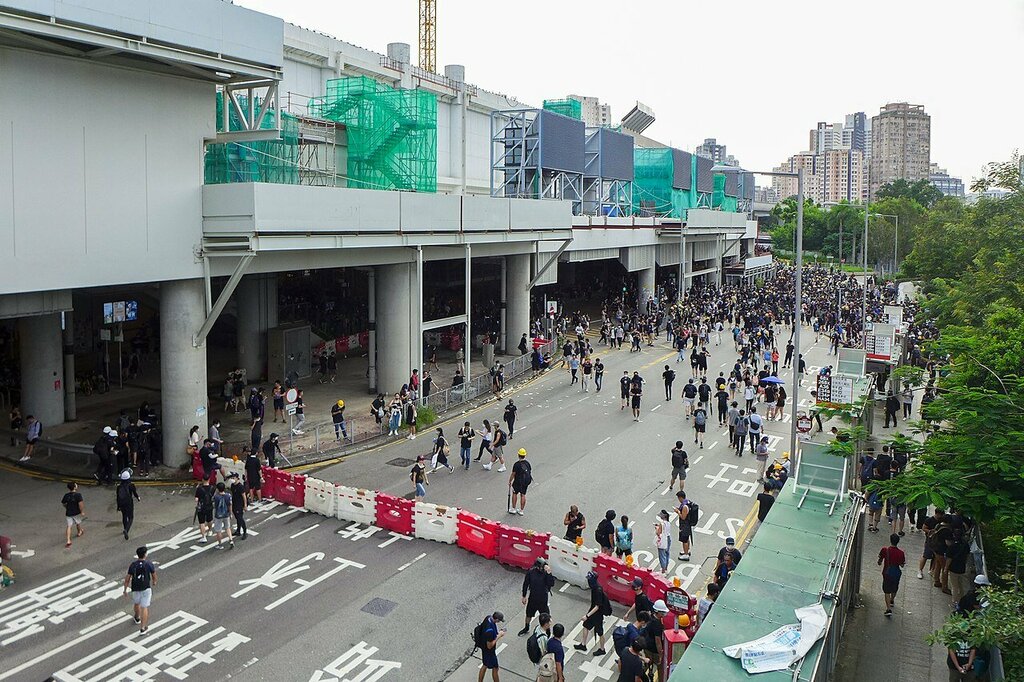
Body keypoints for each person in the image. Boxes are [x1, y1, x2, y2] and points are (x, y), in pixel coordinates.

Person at [574, 571, 611, 656]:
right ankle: (583, 644)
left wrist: (587, 615)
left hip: (597, 615)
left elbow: (597, 606)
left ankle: (602, 649)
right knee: (586, 626)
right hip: (595, 613)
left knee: (600, 632)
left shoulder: (597, 590)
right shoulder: (595, 587)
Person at [123, 546, 157, 634]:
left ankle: (137, 617)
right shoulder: (148, 564)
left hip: (135, 588)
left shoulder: (133, 565)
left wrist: (125, 589)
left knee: (136, 603)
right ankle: (143, 627)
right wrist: (154, 581)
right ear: (145, 554)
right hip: (146, 588)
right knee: (144, 607)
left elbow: (127, 578)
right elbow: (153, 575)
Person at [519, 558, 555, 636]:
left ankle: (548, 631)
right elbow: (526, 584)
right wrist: (524, 596)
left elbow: (551, 584)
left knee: (546, 617)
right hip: (533, 598)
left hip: (543, 599)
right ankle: (526, 627)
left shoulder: (546, 573)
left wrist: (549, 573)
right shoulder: (531, 572)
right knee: (528, 614)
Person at [878, 533, 906, 617]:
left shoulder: (885, 550)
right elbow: (902, 565)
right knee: (894, 588)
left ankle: (888, 609)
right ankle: (892, 600)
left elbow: (880, 559)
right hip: (896, 573)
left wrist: (880, 561)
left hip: (887, 573)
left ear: (890, 540)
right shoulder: (901, 553)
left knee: (886, 591)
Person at [477, 611, 505, 682]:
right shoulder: (490, 631)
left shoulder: (488, 618)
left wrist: (498, 633)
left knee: (485, 665)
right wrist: (499, 636)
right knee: (495, 668)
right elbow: (490, 646)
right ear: (497, 620)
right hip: (489, 652)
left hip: (484, 648)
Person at [116, 470, 140, 540]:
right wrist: (138, 497)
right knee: (131, 517)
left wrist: (118, 506)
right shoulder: (131, 485)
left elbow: (117, 497)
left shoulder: (119, 487)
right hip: (129, 503)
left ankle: (124, 528)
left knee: (124, 516)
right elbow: (135, 493)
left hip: (122, 504)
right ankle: (126, 530)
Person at [61, 482, 85, 549]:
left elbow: (63, 503)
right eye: (76, 485)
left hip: (68, 512)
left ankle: (68, 540)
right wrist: (82, 511)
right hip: (76, 512)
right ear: (75, 487)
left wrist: (67, 507)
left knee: (69, 526)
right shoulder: (78, 495)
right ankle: (79, 531)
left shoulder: (66, 495)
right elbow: (81, 504)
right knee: (78, 522)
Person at [212, 481, 234, 550]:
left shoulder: (216, 497)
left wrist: (216, 492)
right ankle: (231, 540)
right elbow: (230, 505)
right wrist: (230, 513)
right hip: (226, 514)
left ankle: (220, 544)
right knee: (227, 527)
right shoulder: (228, 495)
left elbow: (212, 502)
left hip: (218, 515)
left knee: (218, 530)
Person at [509, 448, 532, 515]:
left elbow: (513, 474)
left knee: (514, 493)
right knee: (523, 495)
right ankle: (521, 510)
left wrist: (510, 481)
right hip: (525, 482)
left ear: (518, 455)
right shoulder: (527, 463)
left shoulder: (516, 464)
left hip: (517, 482)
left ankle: (513, 508)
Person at [674, 491, 693, 561]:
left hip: (685, 525)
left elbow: (683, 517)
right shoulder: (687, 502)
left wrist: (678, 512)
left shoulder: (685, 507)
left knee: (684, 540)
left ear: (680, 497)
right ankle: (686, 551)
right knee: (687, 539)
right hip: (687, 525)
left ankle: (686, 554)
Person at [229, 472, 248, 540]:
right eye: (231, 478)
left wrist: (245, 505)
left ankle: (245, 532)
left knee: (240, 518)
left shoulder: (240, 486)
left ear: (237, 478)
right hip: (234, 503)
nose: (232, 479)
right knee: (237, 518)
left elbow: (244, 496)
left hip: (239, 505)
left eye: (233, 478)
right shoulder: (232, 485)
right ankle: (238, 530)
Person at [194, 478, 214, 543]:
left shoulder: (199, 488)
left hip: (202, 507)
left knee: (202, 522)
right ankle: (210, 531)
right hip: (209, 506)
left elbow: (196, 499)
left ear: (202, 480)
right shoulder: (212, 488)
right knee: (209, 519)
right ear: (209, 480)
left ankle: (203, 537)